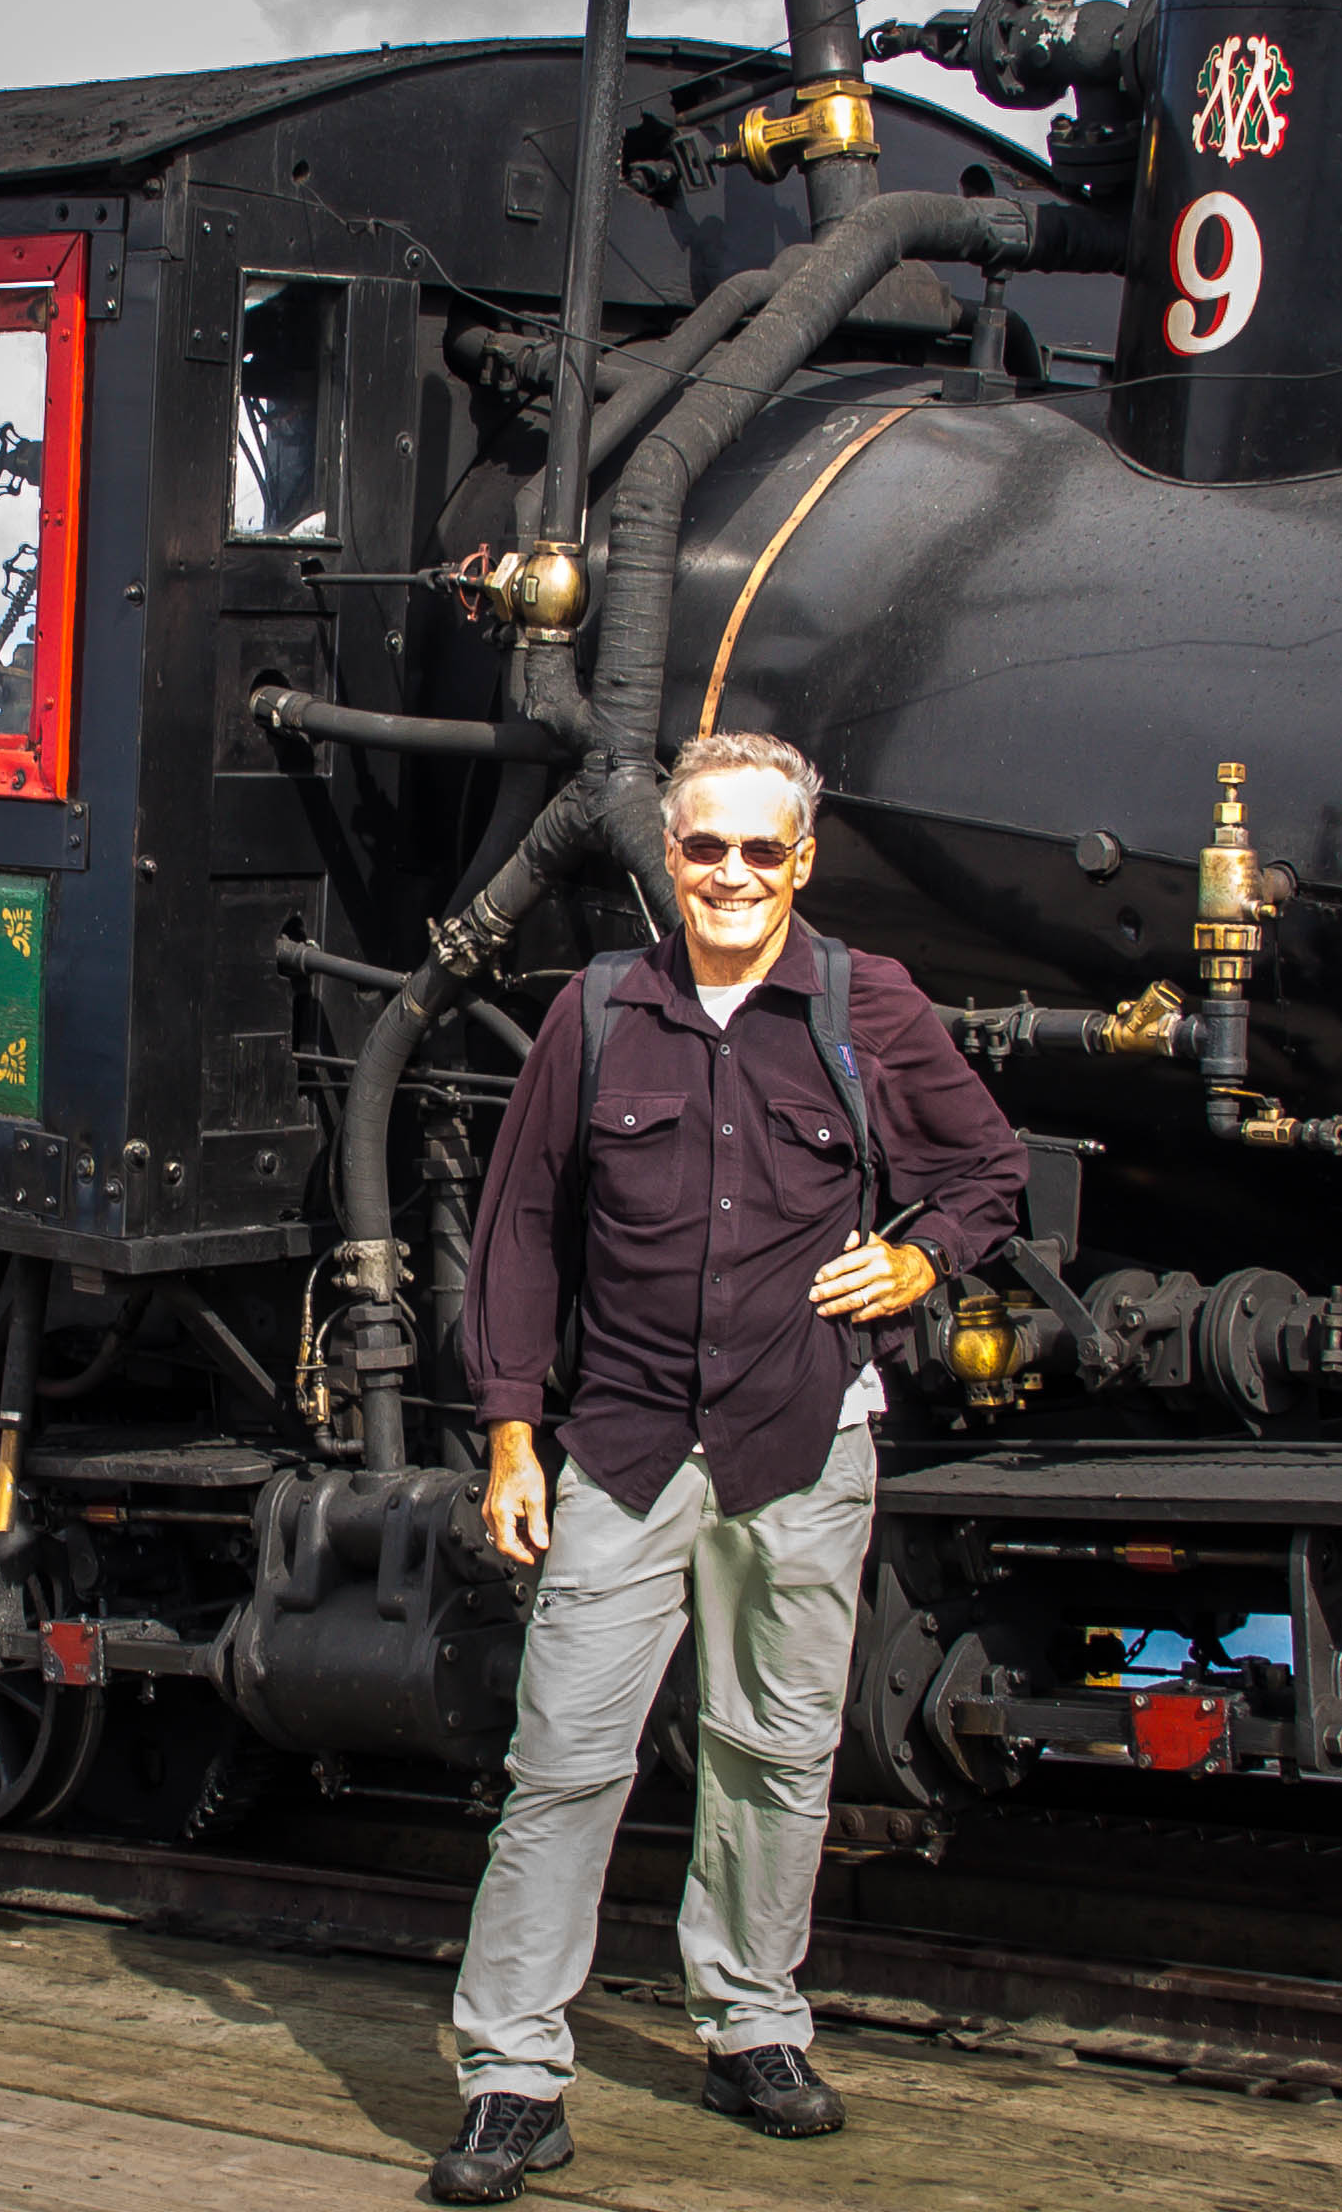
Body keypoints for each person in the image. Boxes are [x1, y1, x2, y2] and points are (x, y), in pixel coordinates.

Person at [426, 731, 1027, 2203]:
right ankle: (511, 2079)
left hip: (802, 1441)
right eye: (706, 848)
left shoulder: (866, 1004)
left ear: (801, 862)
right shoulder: (594, 1012)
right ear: (670, 861)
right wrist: (512, 1433)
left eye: (764, 850)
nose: (734, 875)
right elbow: (519, 1230)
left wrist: (921, 1262)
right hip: (624, 1447)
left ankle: (752, 2025)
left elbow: (988, 1171)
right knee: (564, 1764)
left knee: (776, 1753)